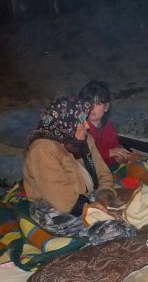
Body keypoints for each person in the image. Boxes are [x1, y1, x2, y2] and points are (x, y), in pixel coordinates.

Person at [22, 84, 117, 216]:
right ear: (67, 124)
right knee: (114, 229)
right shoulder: (42, 149)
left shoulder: (83, 140)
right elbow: (59, 193)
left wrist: (103, 199)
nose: (87, 126)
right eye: (81, 122)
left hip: (85, 198)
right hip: (54, 206)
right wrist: (89, 208)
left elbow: (103, 173)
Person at [82, 80, 135, 165]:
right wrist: (107, 153)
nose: (92, 107)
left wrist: (118, 160)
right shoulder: (80, 126)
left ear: (106, 107)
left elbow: (113, 153)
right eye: (89, 103)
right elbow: (81, 155)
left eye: (97, 104)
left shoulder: (108, 128)